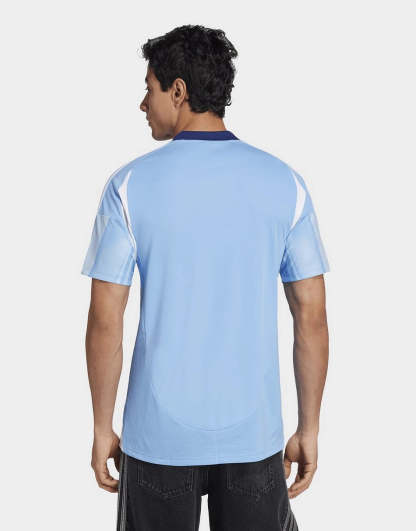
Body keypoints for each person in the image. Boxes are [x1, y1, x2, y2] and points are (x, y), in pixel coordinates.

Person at [81, 24, 330, 531]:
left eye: (149, 89)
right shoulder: (285, 183)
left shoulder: (129, 185)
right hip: (253, 438)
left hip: (157, 438)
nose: (142, 104)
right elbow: (312, 316)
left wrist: (102, 425)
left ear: (178, 91)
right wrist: (309, 428)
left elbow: (106, 318)